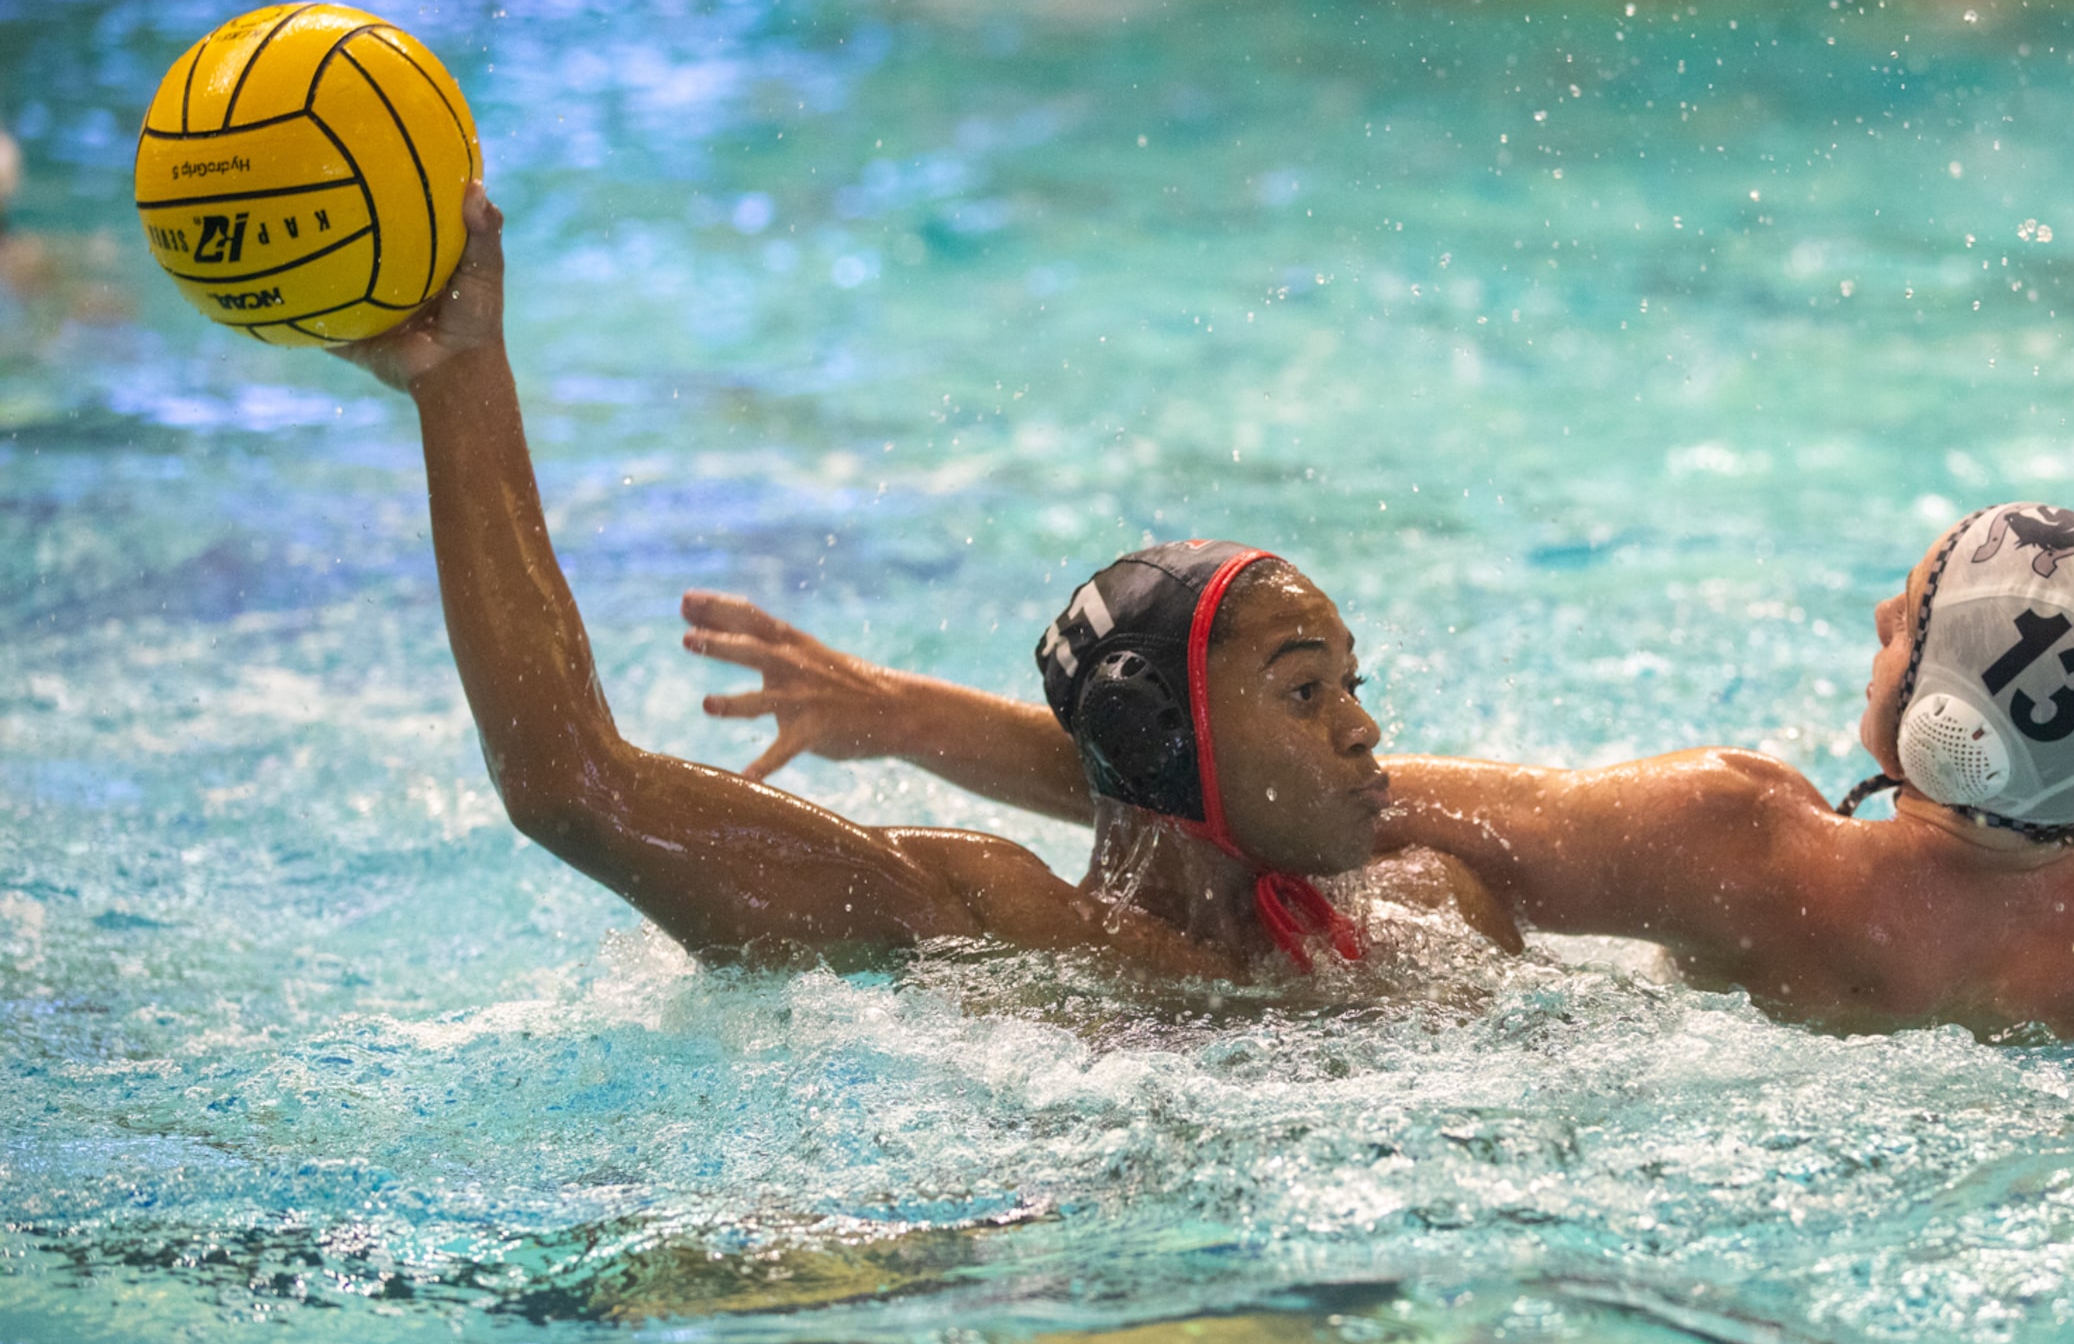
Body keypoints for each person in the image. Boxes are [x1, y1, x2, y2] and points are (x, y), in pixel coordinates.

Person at [334, 184, 1514, 988]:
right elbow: (569, 787)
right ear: (1158, 738)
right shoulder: (996, 931)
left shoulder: (1430, 915)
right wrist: (463, 383)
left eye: (1351, 685)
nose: (1366, 730)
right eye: (1305, 693)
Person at [684, 505, 2074, 1040]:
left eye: (1906, 621)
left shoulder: (1735, 842)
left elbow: (1288, 794)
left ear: (1945, 725)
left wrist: (905, 713)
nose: (1881, 617)